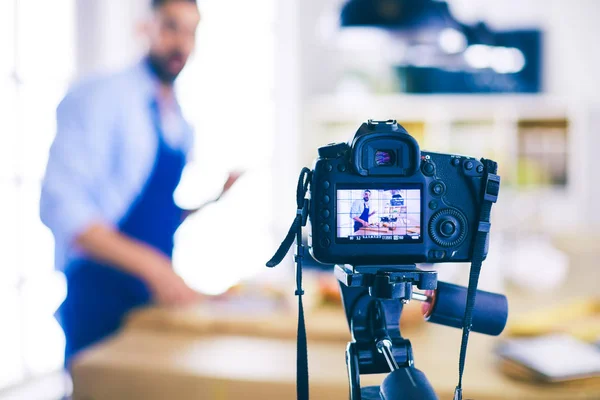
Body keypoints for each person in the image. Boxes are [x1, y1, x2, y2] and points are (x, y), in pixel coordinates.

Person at [40, 0, 238, 364]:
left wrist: (214, 199)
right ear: (143, 27)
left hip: (149, 300)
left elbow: (154, 215)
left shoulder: (177, 116)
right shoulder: (100, 97)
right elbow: (63, 209)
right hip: (100, 295)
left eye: (191, 32)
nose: (181, 43)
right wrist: (155, 268)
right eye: (170, 27)